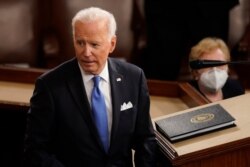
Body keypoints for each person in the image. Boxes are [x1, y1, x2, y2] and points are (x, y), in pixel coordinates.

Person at [24, 7, 157, 167]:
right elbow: (35, 150)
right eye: (80, 43)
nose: (86, 52)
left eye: (94, 44)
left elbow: (145, 139)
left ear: (112, 44)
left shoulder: (134, 77)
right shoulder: (49, 86)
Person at [188, 37, 245, 102]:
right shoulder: (187, 95)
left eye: (219, 64)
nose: (215, 71)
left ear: (227, 68)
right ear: (195, 72)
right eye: (208, 65)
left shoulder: (236, 90)